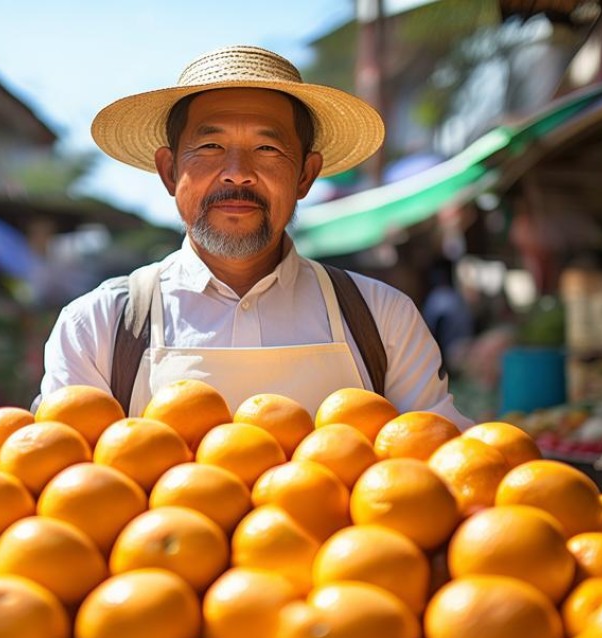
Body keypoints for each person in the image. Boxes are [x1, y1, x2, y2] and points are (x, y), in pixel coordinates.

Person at [40, 45, 471, 428]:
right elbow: (62, 479)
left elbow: (440, 464)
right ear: (170, 172)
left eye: (268, 149)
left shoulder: (383, 320)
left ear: (305, 175)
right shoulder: (98, 326)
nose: (238, 172)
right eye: (209, 147)